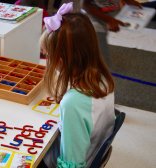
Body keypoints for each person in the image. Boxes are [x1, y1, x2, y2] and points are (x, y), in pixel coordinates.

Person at [40, 2, 115, 167]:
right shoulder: (102, 78)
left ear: (59, 61)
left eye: (47, 56)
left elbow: (71, 164)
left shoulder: (73, 103)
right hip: (91, 151)